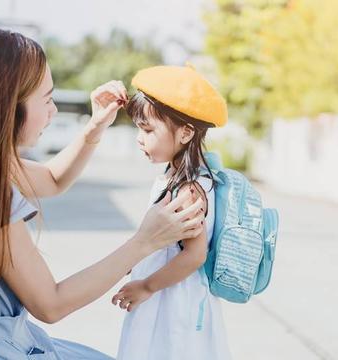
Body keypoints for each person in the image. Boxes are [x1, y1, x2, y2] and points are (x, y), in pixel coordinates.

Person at [0, 29, 204, 359]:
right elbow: (51, 303)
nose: (52, 112)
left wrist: (95, 128)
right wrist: (145, 241)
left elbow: (52, 178)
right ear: (7, 107)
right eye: (47, 99)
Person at [112, 65, 232, 360]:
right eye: (139, 129)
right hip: (166, 295)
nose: (140, 138)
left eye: (148, 129)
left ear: (186, 133)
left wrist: (146, 286)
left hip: (173, 302)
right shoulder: (177, 178)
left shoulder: (189, 189)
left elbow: (194, 255)